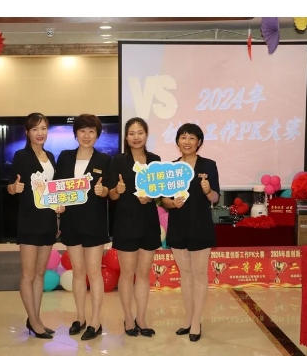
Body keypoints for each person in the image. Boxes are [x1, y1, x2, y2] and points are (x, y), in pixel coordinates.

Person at [7, 113, 64, 340]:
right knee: (28, 274)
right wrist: (14, 188)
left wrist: (59, 208)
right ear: (27, 132)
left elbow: (54, 188)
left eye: (43, 128)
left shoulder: (50, 156)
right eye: (35, 129)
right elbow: (11, 185)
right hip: (29, 220)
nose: (40, 133)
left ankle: (35, 319)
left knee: (40, 273)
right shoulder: (21, 156)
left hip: (48, 220)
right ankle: (34, 320)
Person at [161, 123, 220, 342]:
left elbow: (215, 198)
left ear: (199, 142)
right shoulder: (171, 167)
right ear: (177, 141)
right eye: (183, 137)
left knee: (199, 274)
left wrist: (208, 191)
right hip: (178, 225)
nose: (187, 142)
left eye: (192, 138)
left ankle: (196, 321)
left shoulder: (209, 165)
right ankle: (188, 319)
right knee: (185, 274)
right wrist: (171, 203)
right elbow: (164, 199)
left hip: (200, 225)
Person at [56, 114, 112, 341]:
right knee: (78, 273)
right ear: (76, 133)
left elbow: (110, 191)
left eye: (91, 131)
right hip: (71, 222)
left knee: (94, 273)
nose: (87, 136)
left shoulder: (104, 160)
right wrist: (57, 203)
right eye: (82, 131)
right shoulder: (65, 156)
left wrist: (103, 191)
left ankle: (95, 322)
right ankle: (80, 318)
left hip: (94, 223)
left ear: (97, 135)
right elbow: (57, 187)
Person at [108, 117, 161, 338]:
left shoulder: (155, 160)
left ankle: (141, 318)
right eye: (131, 133)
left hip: (148, 222)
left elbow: (159, 192)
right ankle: (128, 317)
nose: (136, 137)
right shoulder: (118, 161)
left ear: (146, 135)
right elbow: (111, 195)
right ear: (126, 137)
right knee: (127, 273)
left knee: (143, 273)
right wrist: (118, 190)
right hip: (125, 222)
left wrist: (151, 197)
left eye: (140, 133)